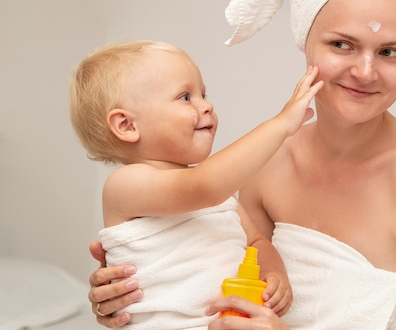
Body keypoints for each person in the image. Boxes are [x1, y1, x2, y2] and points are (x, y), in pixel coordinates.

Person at [87, 0, 396, 329]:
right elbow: (220, 278)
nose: (366, 72)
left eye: (391, 52)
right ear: (305, 38)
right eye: (342, 44)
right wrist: (139, 293)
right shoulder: (265, 166)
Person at [70, 40, 323, 330]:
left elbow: (255, 242)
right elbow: (205, 186)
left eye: (203, 94)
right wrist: (281, 124)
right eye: (185, 97)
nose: (207, 105)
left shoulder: (219, 197)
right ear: (127, 126)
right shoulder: (125, 185)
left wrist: (275, 274)